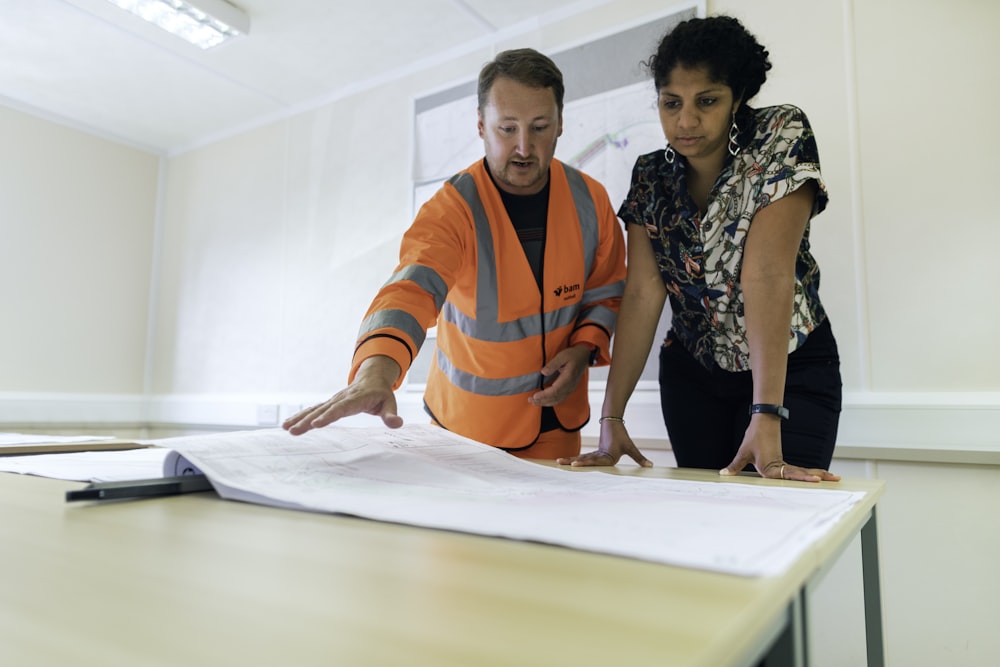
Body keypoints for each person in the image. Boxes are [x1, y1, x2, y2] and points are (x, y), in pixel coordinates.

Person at [283, 48, 627, 460]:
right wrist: (375, 372)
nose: (523, 146)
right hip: (466, 433)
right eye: (507, 129)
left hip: (558, 426)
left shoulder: (591, 200)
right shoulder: (450, 209)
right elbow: (410, 291)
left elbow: (605, 292)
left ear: (560, 126)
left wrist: (585, 347)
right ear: (481, 126)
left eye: (539, 127)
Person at [559, 16, 842, 483]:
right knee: (708, 530)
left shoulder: (779, 134)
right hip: (693, 377)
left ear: (737, 98)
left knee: (776, 520)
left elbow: (766, 274)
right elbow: (643, 294)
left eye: (706, 101)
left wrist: (766, 412)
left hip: (790, 370)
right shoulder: (650, 175)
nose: (685, 121)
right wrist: (611, 419)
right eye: (671, 103)